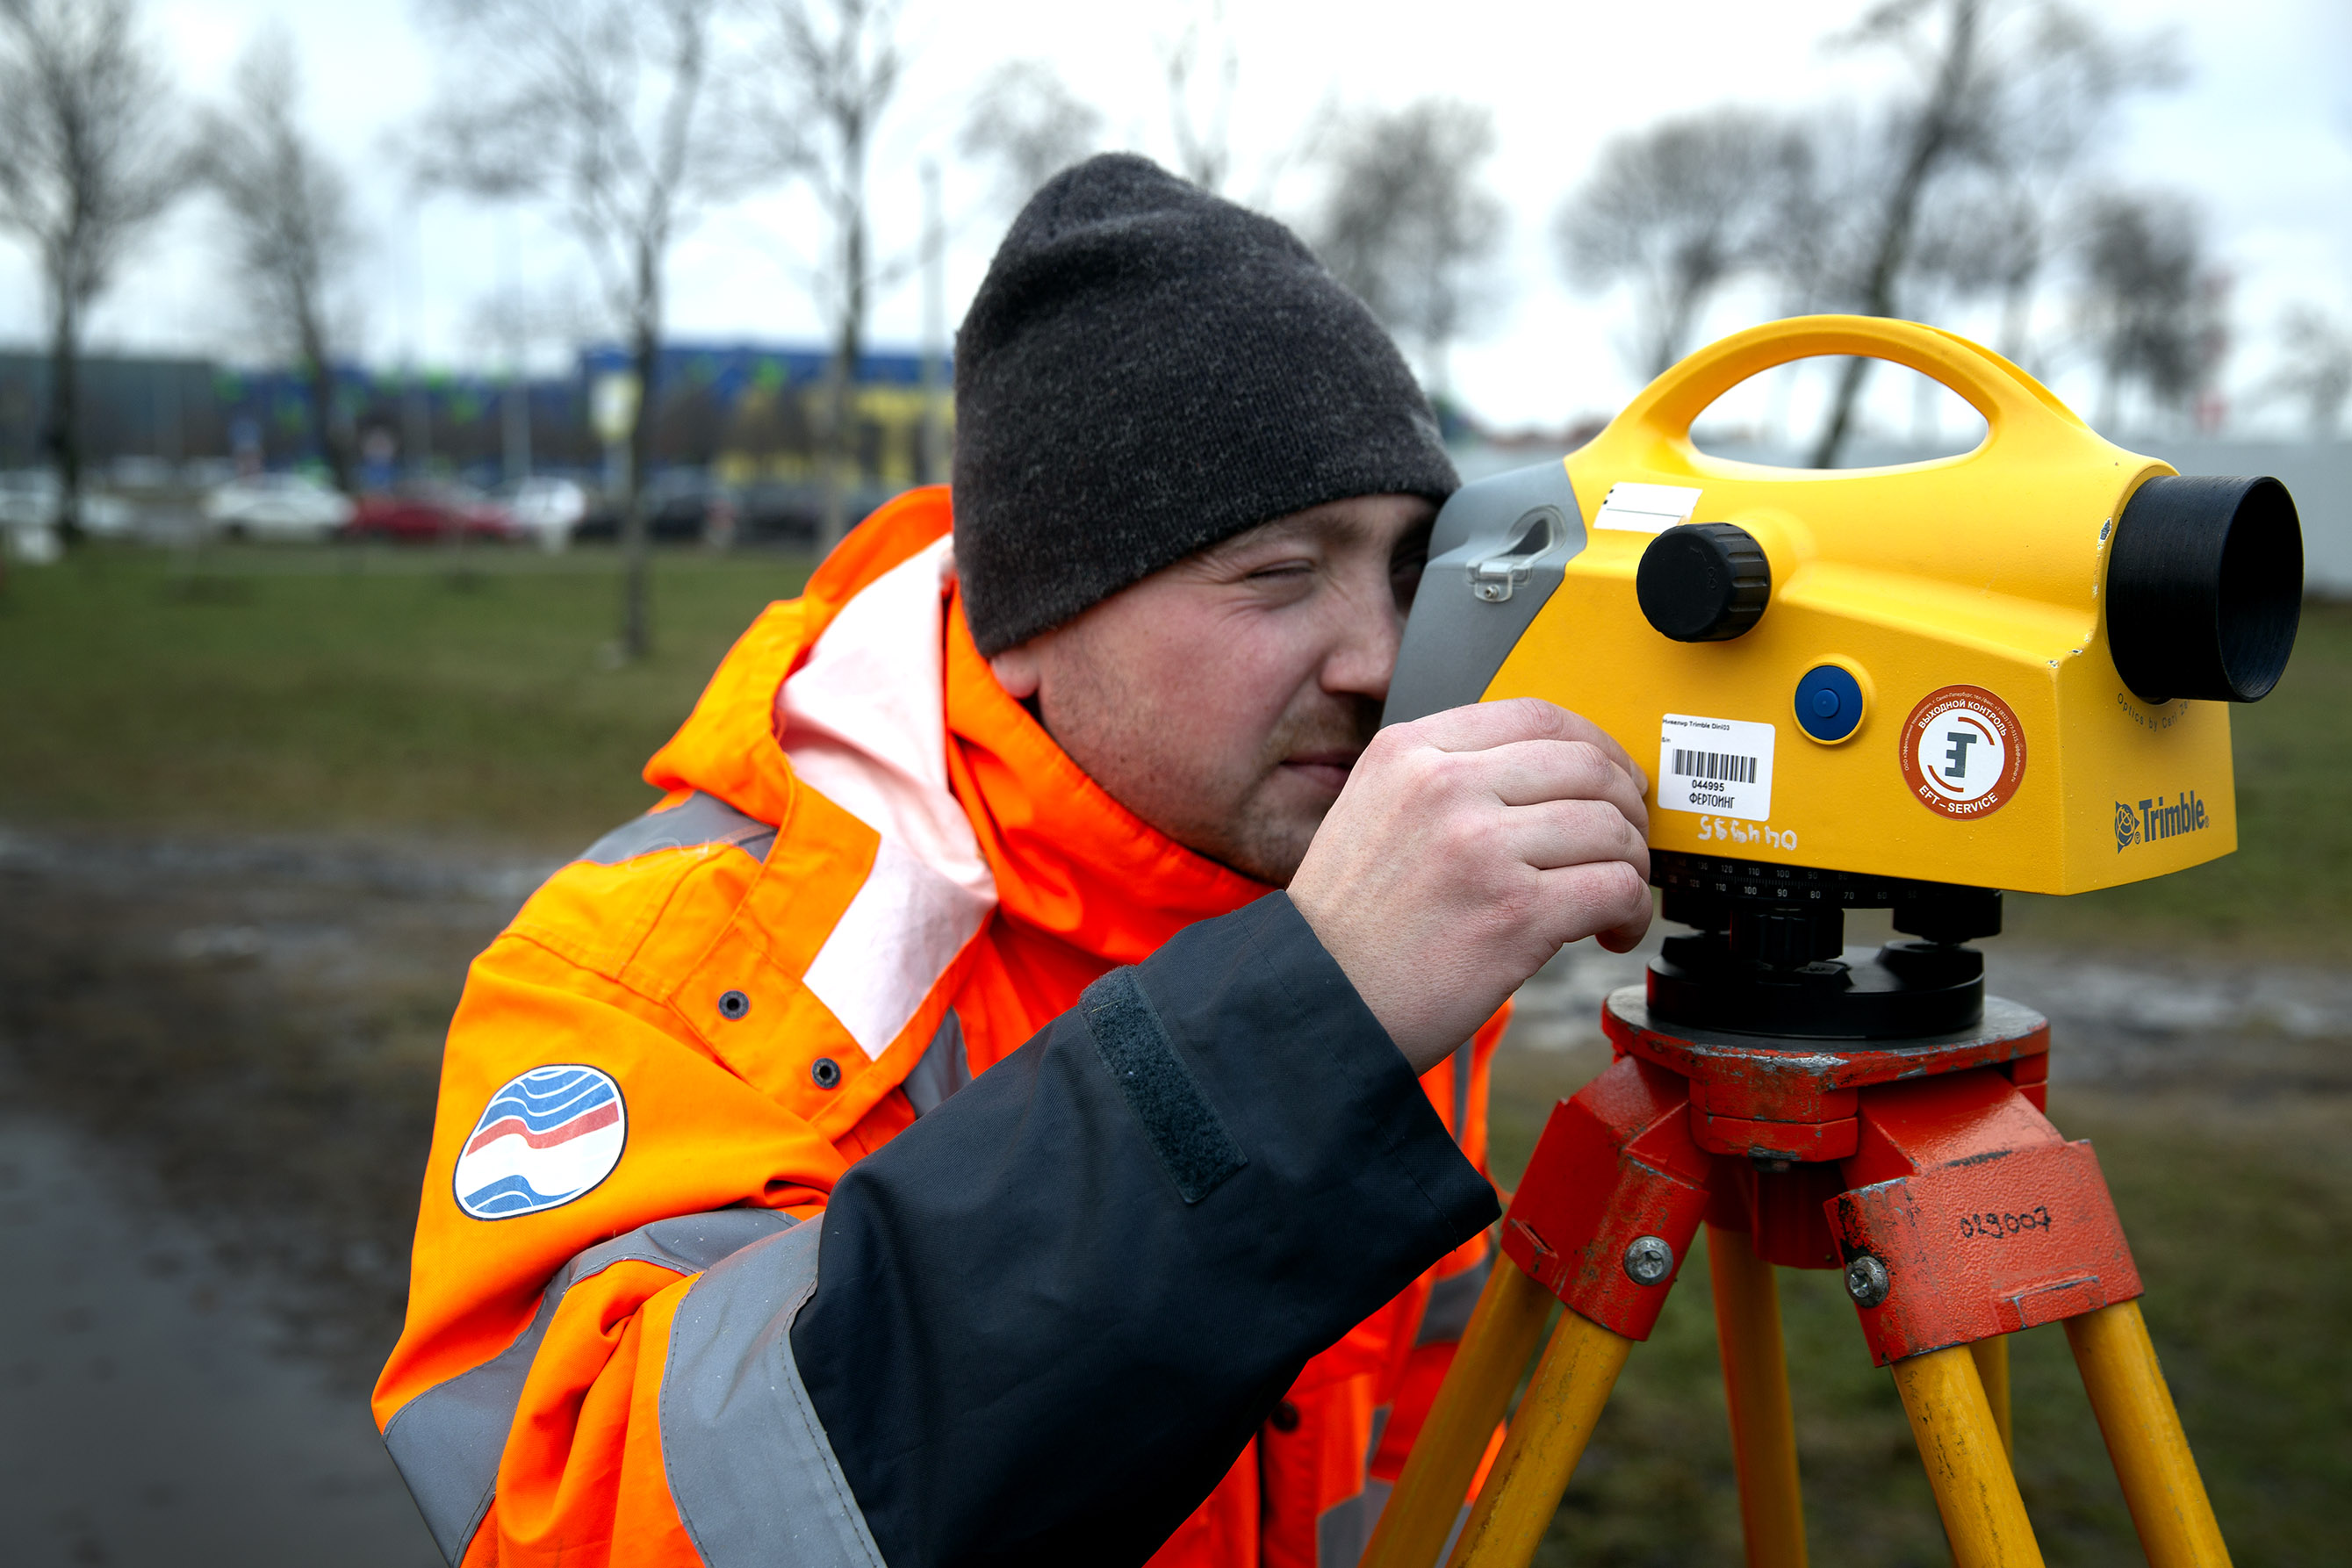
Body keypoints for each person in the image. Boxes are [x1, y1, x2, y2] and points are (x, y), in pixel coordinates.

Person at [374, 155, 1651, 1568]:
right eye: (1279, 573)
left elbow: (1412, 1447)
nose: (1377, 659)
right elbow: (584, 1528)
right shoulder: (654, 962)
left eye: (1406, 570)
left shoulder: (1362, 905)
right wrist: (1277, 1047)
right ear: (1029, 621)